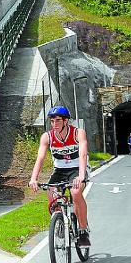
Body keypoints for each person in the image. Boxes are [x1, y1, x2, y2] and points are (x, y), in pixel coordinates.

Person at [29, 106, 91, 248]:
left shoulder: (78, 133)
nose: (54, 124)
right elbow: (40, 157)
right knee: (52, 196)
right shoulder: (47, 137)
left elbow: (82, 154)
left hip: (77, 169)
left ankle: (83, 231)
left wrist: (81, 176)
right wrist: (34, 178)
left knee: (75, 193)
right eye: (52, 121)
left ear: (66, 121)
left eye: (57, 121)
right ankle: (60, 222)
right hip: (60, 170)